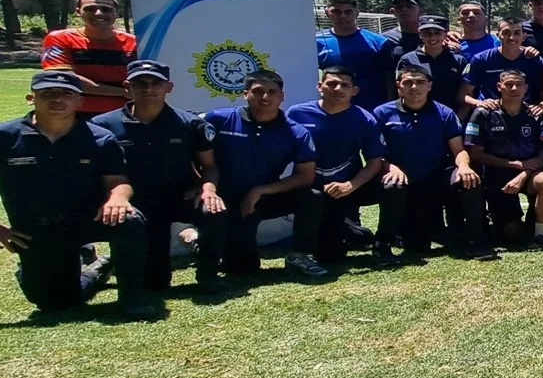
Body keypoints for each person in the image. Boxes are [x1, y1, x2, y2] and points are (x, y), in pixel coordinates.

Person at [0, 70, 160, 319]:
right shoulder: (5, 136)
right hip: (36, 229)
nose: (57, 99)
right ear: (31, 98)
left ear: (79, 100)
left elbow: (119, 181)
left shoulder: (99, 138)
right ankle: (95, 268)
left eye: (66, 94)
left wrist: (118, 198)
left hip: (87, 220)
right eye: (47, 94)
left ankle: (132, 297)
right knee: (55, 303)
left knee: (129, 220)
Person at [89, 60, 224, 290]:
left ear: (169, 87)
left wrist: (207, 189)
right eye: (140, 83)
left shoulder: (189, 123)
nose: (148, 89)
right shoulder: (103, 125)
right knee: (155, 283)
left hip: (180, 196)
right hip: (136, 204)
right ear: (127, 86)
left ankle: (208, 272)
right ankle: (103, 269)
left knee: (213, 210)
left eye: (156, 83)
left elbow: (209, 165)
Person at [202, 70, 327, 278]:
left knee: (311, 196)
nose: (265, 98)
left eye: (272, 92)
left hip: (263, 198)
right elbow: (196, 156)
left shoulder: (296, 132)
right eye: (258, 91)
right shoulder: (218, 119)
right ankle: (196, 240)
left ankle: (300, 255)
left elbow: (305, 176)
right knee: (242, 269)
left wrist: (260, 191)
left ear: (282, 96)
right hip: (223, 199)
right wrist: (203, 187)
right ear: (245, 94)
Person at [282, 66, 396, 268]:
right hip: (314, 191)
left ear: (354, 90)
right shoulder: (297, 114)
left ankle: (383, 243)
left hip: (348, 187)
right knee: (329, 256)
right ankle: (351, 231)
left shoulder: (365, 119)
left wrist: (350, 186)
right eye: (332, 83)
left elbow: (374, 162)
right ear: (320, 86)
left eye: (345, 85)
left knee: (394, 187)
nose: (338, 89)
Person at [374, 66, 482, 261]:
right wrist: (391, 167)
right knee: (417, 244)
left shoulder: (444, 113)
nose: (414, 87)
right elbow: (376, 154)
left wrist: (464, 166)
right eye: (407, 82)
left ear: (429, 86)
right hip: (402, 177)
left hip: (436, 176)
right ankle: (383, 244)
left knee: (469, 180)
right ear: (399, 85)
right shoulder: (382, 113)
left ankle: (472, 241)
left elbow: (459, 151)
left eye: (420, 82)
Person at [462, 69, 543, 255]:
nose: (514, 88)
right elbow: (475, 154)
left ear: (526, 88)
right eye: (509, 84)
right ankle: (516, 222)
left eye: (518, 85)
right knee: (513, 234)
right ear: (499, 87)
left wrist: (523, 173)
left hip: (529, 172)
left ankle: (540, 235)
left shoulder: (534, 114)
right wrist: (512, 165)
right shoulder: (483, 113)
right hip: (498, 175)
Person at [43, 0, 139, 116]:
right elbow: (65, 78)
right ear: (78, 12)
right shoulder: (59, 39)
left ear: (116, 13)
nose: (99, 13)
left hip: (123, 116)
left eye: (106, 9)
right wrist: (121, 92)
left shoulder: (135, 42)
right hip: (75, 116)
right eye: (90, 9)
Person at [316, 0, 399, 104]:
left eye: (348, 12)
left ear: (357, 13)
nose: (342, 16)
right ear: (327, 13)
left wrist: (389, 105)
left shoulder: (378, 42)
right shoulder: (316, 42)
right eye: (336, 12)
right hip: (333, 107)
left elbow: (390, 78)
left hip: (372, 107)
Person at [461, 17, 543, 114]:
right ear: (498, 35)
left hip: (527, 114)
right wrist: (479, 103)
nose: (511, 37)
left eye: (517, 33)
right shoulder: (481, 59)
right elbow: (462, 94)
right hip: (491, 113)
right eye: (506, 33)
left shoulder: (535, 60)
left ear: (524, 36)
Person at [398, 16, 469, 116]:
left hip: (450, 117)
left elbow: (466, 91)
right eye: (427, 33)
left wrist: (461, 118)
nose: (432, 37)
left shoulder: (458, 60)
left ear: (445, 34)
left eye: (437, 33)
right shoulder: (408, 59)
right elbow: (402, 91)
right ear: (420, 34)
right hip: (418, 116)